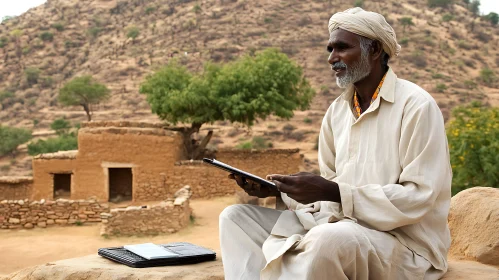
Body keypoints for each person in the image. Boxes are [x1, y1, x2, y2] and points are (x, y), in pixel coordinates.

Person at [219, 7, 452, 280]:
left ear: (374, 50)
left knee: (327, 240)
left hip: (404, 244)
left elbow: (419, 197)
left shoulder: (416, 106)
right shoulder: (337, 112)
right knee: (235, 219)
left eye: (342, 48)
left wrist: (336, 193)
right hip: (340, 226)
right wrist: (281, 192)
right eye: (330, 49)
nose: (332, 59)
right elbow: (330, 196)